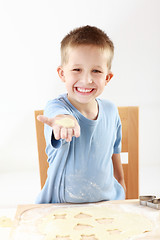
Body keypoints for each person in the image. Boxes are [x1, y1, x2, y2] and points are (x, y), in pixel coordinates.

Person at [36, 25, 126, 204]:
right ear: (62, 74)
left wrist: (122, 184)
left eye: (96, 71)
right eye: (77, 70)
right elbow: (60, 117)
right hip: (61, 208)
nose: (86, 80)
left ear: (107, 77)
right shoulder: (56, 108)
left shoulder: (111, 110)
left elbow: (114, 151)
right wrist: (64, 122)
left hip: (107, 204)